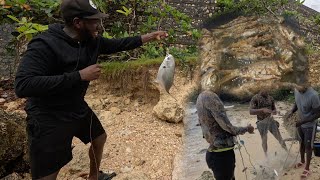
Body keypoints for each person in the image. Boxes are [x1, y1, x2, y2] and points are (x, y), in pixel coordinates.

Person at [14, 0, 168, 179]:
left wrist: (150, 36)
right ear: (78, 22)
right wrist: (79, 76)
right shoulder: (44, 45)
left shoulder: (90, 41)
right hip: (48, 115)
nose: (99, 25)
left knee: (99, 138)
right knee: (48, 173)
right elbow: (23, 85)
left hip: (76, 107)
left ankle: (94, 177)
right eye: (94, 21)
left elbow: (119, 44)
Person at [196, 90, 254, 180]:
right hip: (221, 157)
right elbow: (228, 127)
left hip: (215, 153)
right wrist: (247, 129)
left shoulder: (200, 97)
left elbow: (204, 123)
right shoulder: (211, 97)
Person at [288, 82, 320, 178]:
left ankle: (307, 168)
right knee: (301, 142)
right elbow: (297, 102)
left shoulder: (313, 95)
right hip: (300, 122)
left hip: (310, 125)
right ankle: (302, 161)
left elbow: (318, 114)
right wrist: (292, 111)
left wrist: (303, 122)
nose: (298, 89)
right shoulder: (296, 90)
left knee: (308, 146)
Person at [249, 90, 288, 156]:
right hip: (261, 122)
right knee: (264, 140)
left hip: (271, 121)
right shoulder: (255, 98)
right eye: (265, 90)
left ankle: (287, 152)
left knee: (279, 137)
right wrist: (262, 110)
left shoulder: (271, 98)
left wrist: (274, 111)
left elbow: (274, 109)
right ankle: (266, 156)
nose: (267, 91)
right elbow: (251, 111)